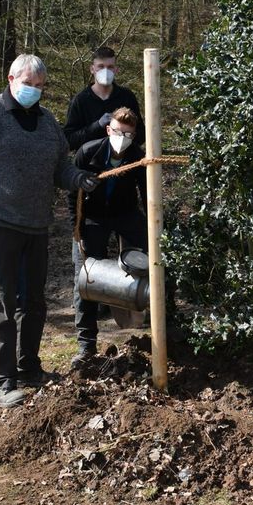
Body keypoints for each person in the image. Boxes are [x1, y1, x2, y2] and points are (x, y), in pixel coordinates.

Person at [0, 54, 100, 409]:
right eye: (28, 83)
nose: (33, 90)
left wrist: (77, 178)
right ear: (11, 78)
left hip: (36, 226)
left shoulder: (48, 123)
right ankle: (3, 381)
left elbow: (60, 167)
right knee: (2, 302)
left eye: (39, 86)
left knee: (33, 302)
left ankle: (29, 367)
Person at [68, 107, 148, 368]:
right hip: (92, 217)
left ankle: (164, 324)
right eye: (117, 131)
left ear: (134, 136)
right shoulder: (88, 151)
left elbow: (147, 194)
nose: (121, 137)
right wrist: (77, 229)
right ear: (108, 129)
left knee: (154, 263)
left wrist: (153, 231)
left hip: (126, 213)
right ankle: (86, 345)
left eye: (128, 133)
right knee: (86, 275)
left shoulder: (138, 157)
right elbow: (73, 194)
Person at [63, 47, 144, 151]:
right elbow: (69, 140)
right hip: (89, 162)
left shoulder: (127, 97)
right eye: (100, 67)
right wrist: (97, 125)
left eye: (110, 67)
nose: (105, 71)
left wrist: (123, 134)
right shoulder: (80, 100)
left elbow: (141, 134)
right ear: (92, 69)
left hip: (124, 161)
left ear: (116, 70)